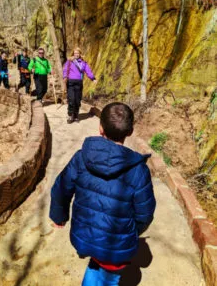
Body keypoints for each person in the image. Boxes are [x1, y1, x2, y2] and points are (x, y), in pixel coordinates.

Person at [49, 102, 156, 286]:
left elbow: (61, 188)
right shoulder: (138, 171)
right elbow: (145, 214)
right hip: (115, 247)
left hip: (84, 236)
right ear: (130, 132)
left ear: (100, 128)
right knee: (107, 278)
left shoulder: (81, 158)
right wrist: (132, 232)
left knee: (96, 268)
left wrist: (59, 216)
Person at [63, 47, 96, 124]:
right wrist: (65, 77)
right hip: (70, 83)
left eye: (78, 53)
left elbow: (88, 71)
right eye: (75, 53)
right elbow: (65, 70)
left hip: (79, 83)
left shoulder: (83, 62)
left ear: (80, 54)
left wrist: (93, 78)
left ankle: (76, 115)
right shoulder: (70, 61)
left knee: (77, 101)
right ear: (73, 54)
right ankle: (70, 115)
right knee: (71, 100)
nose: (76, 55)